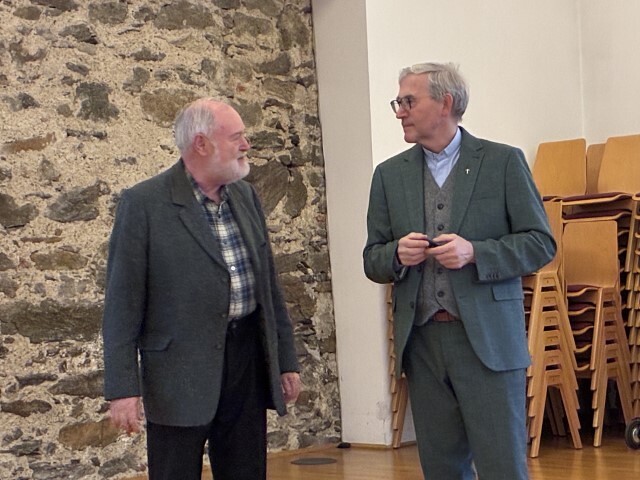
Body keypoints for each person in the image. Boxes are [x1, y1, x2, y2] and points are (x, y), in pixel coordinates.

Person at [363, 63, 556, 479]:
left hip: (487, 341)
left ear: (445, 103)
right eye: (398, 102)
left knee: (502, 467)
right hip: (422, 343)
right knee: (441, 469)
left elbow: (541, 243)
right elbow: (372, 259)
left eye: (409, 101)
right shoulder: (389, 176)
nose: (400, 111)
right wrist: (396, 254)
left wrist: (476, 253)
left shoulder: (503, 162)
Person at [102, 98, 301, 480]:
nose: (246, 145)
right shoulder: (144, 204)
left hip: (245, 362)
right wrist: (122, 389)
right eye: (236, 137)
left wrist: (286, 361)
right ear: (201, 144)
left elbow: (269, 288)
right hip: (178, 373)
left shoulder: (245, 196)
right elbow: (122, 305)